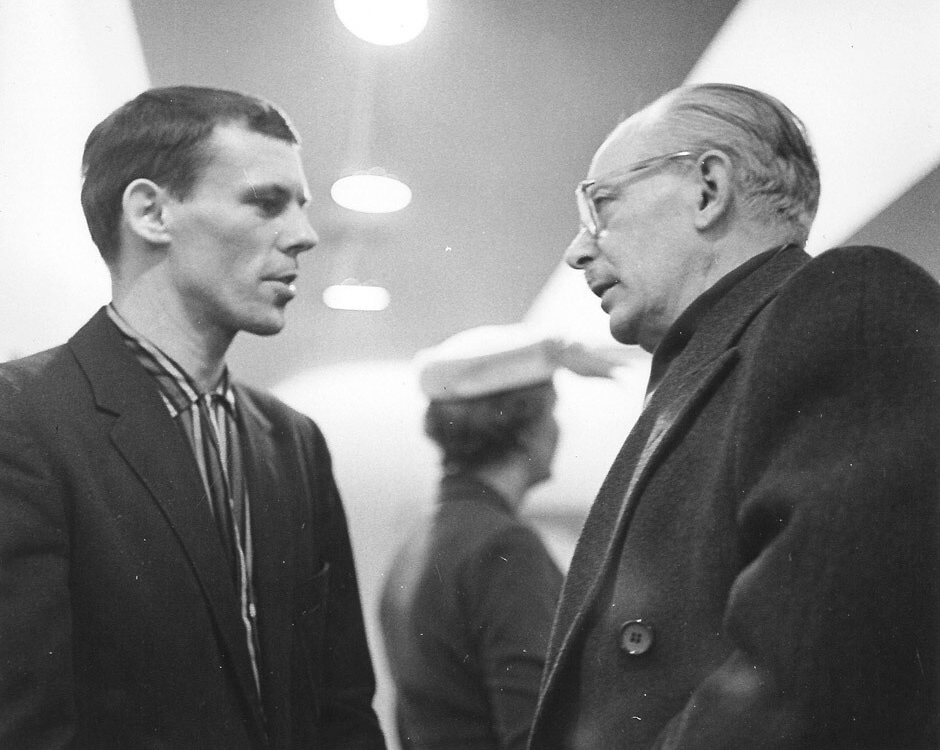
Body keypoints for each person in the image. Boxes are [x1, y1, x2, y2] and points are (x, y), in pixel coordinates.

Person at [527, 83, 940, 750]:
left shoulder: (850, 305)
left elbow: (815, 683)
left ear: (707, 189)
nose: (578, 250)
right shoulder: (718, 365)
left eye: (599, 205)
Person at [0, 86, 387, 749]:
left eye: (300, 206)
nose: (305, 235)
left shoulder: (291, 441)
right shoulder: (23, 420)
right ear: (151, 211)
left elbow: (341, 708)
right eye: (267, 202)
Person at [379, 325, 620, 750]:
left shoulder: (419, 540)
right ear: (526, 428)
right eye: (551, 412)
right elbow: (539, 729)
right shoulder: (504, 547)